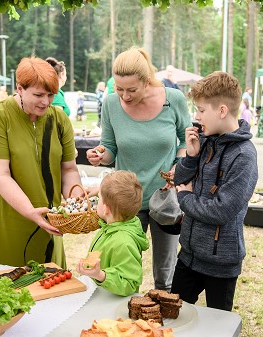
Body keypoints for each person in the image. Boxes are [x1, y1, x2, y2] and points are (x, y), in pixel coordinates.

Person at [86, 47, 191, 291]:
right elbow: (110, 147)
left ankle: (161, 316)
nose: (124, 96)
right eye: (119, 89)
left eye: (131, 90)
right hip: (125, 200)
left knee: (165, 275)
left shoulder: (172, 99)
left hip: (164, 200)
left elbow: (186, 140)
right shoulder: (111, 103)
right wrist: (100, 155)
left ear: (147, 81)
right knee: (121, 269)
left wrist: (179, 166)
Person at [0, 57, 82, 268]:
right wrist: (29, 211)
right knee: (6, 284)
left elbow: (68, 169)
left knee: (49, 283)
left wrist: (77, 203)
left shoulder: (59, 119)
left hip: (48, 217)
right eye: (38, 95)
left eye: (51, 95)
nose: (46, 102)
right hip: (5, 217)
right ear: (20, 88)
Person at [171, 71, 258, 311]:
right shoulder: (205, 139)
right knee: (173, 316)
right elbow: (179, 179)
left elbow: (222, 210)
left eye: (200, 110)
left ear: (221, 111)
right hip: (188, 256)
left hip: (222, 264)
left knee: (217, 328)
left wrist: (185, 198)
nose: (195, 117)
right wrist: (190, 156)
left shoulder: (244, 155)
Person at [76, 170, 149, 296]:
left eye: (99, 198)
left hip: (111, 305)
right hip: (100, 295)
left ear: (105, 209)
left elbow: (129, 283)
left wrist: (100, 275)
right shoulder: (110, 227)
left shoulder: (124, 242)